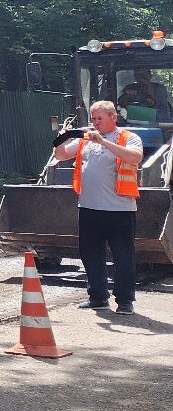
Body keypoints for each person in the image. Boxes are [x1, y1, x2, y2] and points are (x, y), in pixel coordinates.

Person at [51, 101, 144, 314]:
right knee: (91, 255)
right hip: (89, 207)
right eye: (93, 119)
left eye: (100, 119)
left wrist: (103, 141)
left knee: (123, 256)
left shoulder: (128, 137)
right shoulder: (86, 139)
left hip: (119, 209)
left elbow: (135, 157)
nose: (95, 123)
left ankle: (125, 301)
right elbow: (61, 155)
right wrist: (61, 139)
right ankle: (98, 297)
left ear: (113, 117)